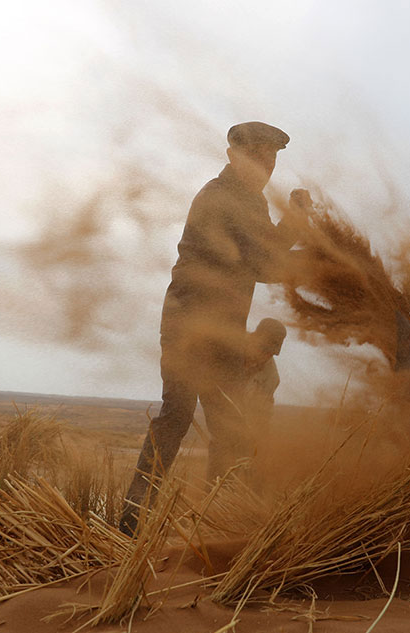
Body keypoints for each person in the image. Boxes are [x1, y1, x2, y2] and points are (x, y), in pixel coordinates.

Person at [119, 122, 309, 536]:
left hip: (224, 331)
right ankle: (132, 523)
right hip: (191, 325)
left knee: (227, 424)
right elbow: (264, 264)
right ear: (233, 156)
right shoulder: (220, 198)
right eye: (258, 155)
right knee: (178, 416)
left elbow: (264, 259)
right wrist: (296, 228)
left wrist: (294, 226)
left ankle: (219, 521)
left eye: (272, 158)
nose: (267, 165)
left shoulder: (251, 203)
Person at [203, 317, 287, 483]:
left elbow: (263, 412)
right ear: (254, 338)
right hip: (212, 393)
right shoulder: (230, 345)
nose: (264, 356)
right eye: (263, 349)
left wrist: (260, 439)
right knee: (222, 441)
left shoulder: (271, 377)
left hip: (242, 410)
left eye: (270, 353)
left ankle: (234, 490)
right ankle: (212, 491)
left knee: (246, 447)